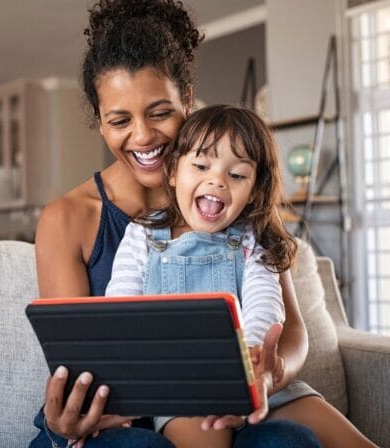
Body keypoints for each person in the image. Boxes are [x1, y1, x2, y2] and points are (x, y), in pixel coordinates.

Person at [30, 0, 325, 447]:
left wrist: (266, 374)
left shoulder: (226, 197)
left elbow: (291, 331)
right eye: (119, 120)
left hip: (235, 395)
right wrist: (68, 419)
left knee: (289, 440)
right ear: (100, 123)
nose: (143, 136)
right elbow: (83, 359)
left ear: (186, 99)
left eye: (159, 112)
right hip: (124, 417)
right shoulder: (69, 217)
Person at [105, 104, 377, 448]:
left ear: (253, 189)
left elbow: (266, 301)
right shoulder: (143, 235)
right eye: (201, 166)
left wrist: (252, 364)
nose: (217, 180)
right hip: (186, 391)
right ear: (173, 171)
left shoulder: (252, 238)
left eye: (237, 175)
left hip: (258, 382)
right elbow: (120, 309)